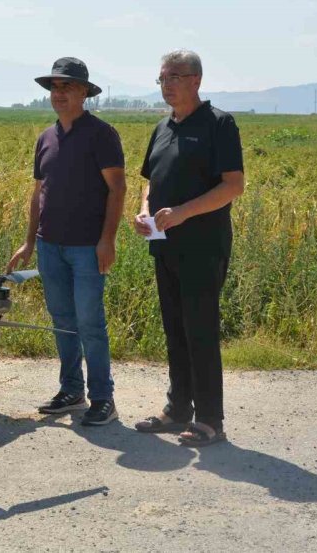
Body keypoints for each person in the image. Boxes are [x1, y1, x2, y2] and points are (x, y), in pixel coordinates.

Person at [132, 49, 244, 447]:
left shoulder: (218, 124)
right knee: (175, 330)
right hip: (164, 246)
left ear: (196, 80)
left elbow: (233, 185)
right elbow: (150, 180)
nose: (167, 84)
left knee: (200, 330)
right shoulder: (163, 127)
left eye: (175, 76)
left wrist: (182, 213)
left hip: (203, 246)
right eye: (162, 77)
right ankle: (178, 408)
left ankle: (210, 419)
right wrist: (145, 211)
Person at [7, 57, 125, 426]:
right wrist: (28, 242)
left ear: (85, 93)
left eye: (68, 87)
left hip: (87, 248)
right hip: (49, 246)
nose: (59, 94)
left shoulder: (102, 135)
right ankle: (71, 390)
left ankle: (103, 397)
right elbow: (38, 195)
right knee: (63, 321)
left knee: (90, 322)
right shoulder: (46, 137)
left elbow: (118, 189)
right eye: (55, 87)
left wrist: (107, 240)